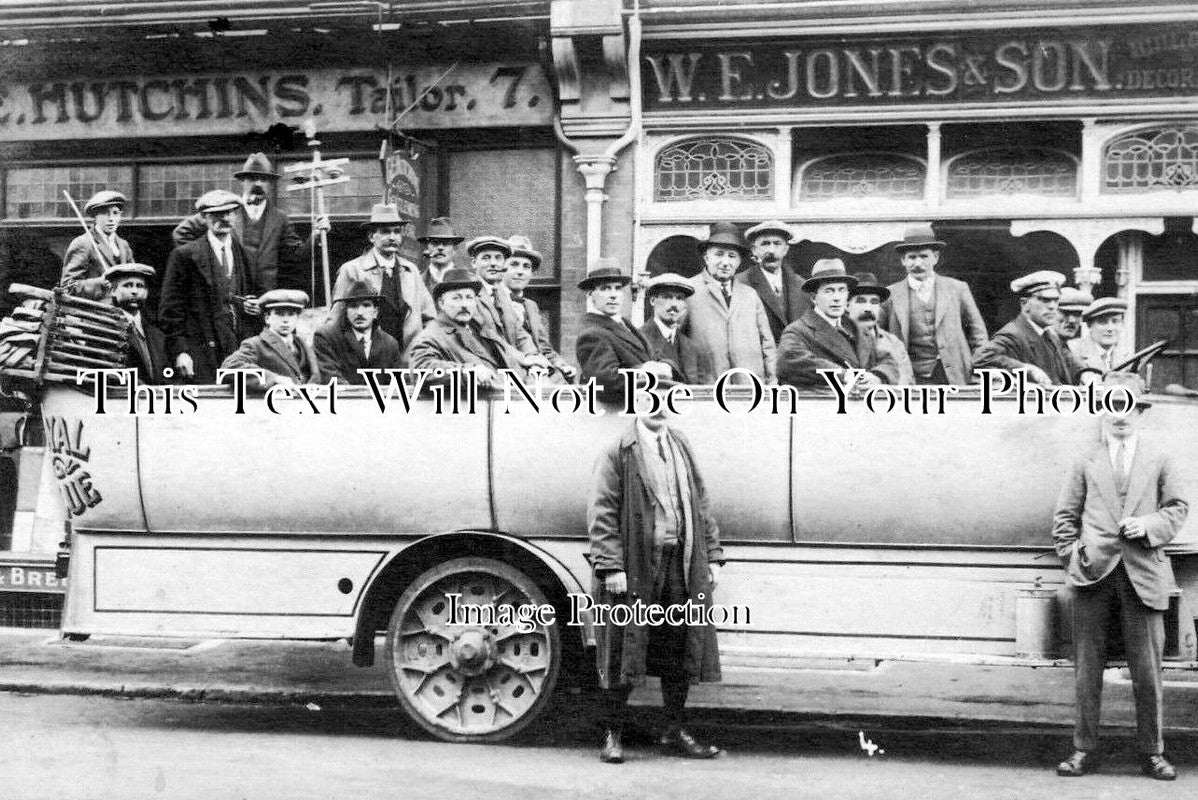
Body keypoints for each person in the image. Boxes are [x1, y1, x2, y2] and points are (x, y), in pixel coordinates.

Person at [1052, 373, 1188, 782]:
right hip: (1094, 576)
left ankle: (1153, 753)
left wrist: (1146, 525)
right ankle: (1082, 749)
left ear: (1139, 411)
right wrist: (1076, 557)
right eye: (1111, 405)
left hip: (1143, 574)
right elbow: (1064, 520)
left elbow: (1178, 508)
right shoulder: (1085, 461)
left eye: (1127, 405)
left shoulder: (1159, 459)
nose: (1119, 415)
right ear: (1102, 413)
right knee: (1087, 670)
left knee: (1148, 672)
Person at [588, 409, 725, 764]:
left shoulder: (680, 445)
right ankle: (611, 734)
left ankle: (673, 730)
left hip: (680, 563)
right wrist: (610, 566)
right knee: (621, 649)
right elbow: (602, 512)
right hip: (634, 566)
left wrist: (712, 556)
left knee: (679, 649)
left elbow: (701, 504)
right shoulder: (619, 450)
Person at [171, 153, 326, 292]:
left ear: (270, 184)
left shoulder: (280, 218)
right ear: (242, 182)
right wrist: (207, 263)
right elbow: (182, 233)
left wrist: (316, 235)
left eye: (263, 179)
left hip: (265, 295)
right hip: (230, 291)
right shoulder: (224, 210)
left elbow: (296, 256)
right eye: (252, 179)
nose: (258, 184)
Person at [159, 190, 264, 384]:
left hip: (240, 353)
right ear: (204, 217)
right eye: (217, 214)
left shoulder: (248, 256)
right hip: (200, 352)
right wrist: (181, 352)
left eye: (230, 213)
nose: (225, 218)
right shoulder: (184, 256)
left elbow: (260, 300)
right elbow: (170, 312)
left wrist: (256, 306)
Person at [881, 226, 987, 385]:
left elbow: (978, 335)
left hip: (953, 375)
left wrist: (980, 371)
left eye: (924, 256)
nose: (918, 263)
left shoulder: (957, 288)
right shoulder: (890, 294)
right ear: (903, 260)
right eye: (912, 257)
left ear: (935, 258)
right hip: (909, 377)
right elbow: (877, 337)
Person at [408, 268, 548, 388]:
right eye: (456, 298)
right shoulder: (432, 335)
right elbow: (421, 370)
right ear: (441, 304)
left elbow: (503, 351)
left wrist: (526, 361)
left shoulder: (477, 328)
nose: (464, 304)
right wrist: (467, 372)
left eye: (469, 297)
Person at [776, 259, 900, 388]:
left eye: (841, 290)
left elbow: (888, 361)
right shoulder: (799, 331)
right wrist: (843, 375)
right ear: (814, 298)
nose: (836, 297)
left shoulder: (859, 330)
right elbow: (789, 360)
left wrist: (876, 377)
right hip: (822, 402)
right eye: (829, 291)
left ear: (847, 295)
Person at [330, 203, 435, 354]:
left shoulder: (410, 271)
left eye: (397, 232)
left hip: (408, 359)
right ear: (371, 236)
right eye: (385, 232)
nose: (392, 237)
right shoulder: (352, 270)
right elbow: (336, 320)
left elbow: (429, 316)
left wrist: (424, 350)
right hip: (369, 358)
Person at [684, 222, 776, 385]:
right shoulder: (689, 291)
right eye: (719, 254)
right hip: (707, 387)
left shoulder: (750, 295)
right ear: (706, 257)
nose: (725, 262)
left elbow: (767, 343)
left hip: (750, 387)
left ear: (739, 261)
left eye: (732, 256)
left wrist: (772, 380)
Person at [575, 259, 674, 401]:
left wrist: (665, 366)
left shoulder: (624, 324)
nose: (613, 294)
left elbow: (650, 356)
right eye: (605, 288)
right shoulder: (592, 333)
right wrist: (643, 372)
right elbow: (604, 380)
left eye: (618, 288)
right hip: (616, 415)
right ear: (591, 295)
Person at [973, 271, 1085, 386]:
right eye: (1045, 300)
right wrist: (1027, 369)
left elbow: (1067, 360)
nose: (1052, 306)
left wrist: (1086, 372)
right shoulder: (1013, 334)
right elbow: (981, 359)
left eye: (1056, 300)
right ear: (1024, 303)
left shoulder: (1049, 334)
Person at [503, 235, 576, 380]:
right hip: (509, 370)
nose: (520, 271)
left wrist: (561, 364)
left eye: (526, 266)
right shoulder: (494, 301)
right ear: (502, 268)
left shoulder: (531, 306)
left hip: (538, 370)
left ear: (531, 273)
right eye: (514, 264)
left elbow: (543, 347)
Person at [220, 289, 322, 390]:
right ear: (267, 318)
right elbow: (229, 367)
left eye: (291, 314)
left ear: (297, 318)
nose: (285, 320)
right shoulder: (256, 344)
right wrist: (274, 379)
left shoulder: (303, 344)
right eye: (279, 314)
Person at [313, 279, 403, 384]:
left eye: (366, 305)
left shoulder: (390, 344)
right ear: (346, 311)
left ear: (375, 312)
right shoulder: (326, 337)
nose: (360, 312)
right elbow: (331, 378)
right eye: (353, 306)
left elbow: (396, 384)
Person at [467, 235, 542, 360]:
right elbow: (489, 336)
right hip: (485, 363)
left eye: (498, 258)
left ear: (503, 264)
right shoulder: (469, 293)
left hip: (509, 361)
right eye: (486, 258)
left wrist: (533, 355)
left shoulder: (500, 294)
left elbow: (519, 332)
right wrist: (523, 358)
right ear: (474, 262)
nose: (493, 263)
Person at [736, 220, 810, 342]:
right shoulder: (741, 282)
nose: (771, 250)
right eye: (765, 244)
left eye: (777, 244)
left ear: (785, 249)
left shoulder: (800, 284)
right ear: (754, 250)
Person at [61, 190, 135, 300]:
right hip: (93, 313)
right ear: (95, 216)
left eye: (115, 213)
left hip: (120, 312)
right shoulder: (83, 243)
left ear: (120, 216)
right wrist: (100, 283)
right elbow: (68, 287)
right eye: (105, 213)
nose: (111, 218)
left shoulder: (124, 246)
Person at [104, 262, 168, 384]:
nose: (134, 291)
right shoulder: (104, 329)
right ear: (113, 291)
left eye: (140, 286)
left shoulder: (156, 331)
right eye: (127, 285)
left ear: (147, 292)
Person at [848, 273, 913, 385]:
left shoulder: (894, 343)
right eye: (861, 301)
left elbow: (908, 384)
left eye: (874, 302)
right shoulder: (839, 338)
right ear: (846, 305)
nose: (868, 308)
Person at [639, 273, 701, 384]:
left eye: (679, 298)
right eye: (667, 297)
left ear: (684, 305)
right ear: (653, 301)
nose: (674, 304)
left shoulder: (690, 346)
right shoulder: (639, 339)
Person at [1070, 298, 1131, 375]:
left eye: (1115, 321)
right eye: (1103, 322)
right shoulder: (1073, 351)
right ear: (1089, 325)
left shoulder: (1126, 356)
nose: (1110, 328)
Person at [417, 217, 465, 292]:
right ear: (427, 248)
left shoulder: (466, 280)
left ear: (454, 249)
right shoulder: (416, 280)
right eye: (435, 243)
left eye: (445, 243)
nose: (440, 247)